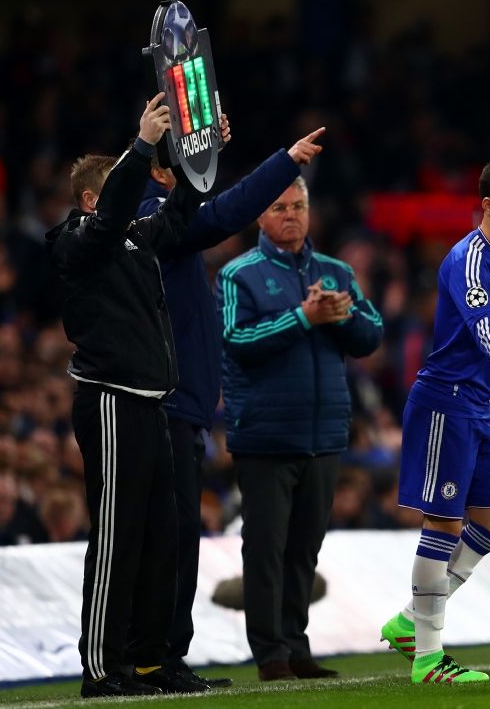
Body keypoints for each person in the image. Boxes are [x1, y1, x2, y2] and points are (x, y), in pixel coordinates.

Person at [130, 124, 326, 688]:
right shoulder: (154, 218)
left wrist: (209, 152)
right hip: (167, 405)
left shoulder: (164, 218)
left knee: (177, 538)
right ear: (162, 171)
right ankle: (151, 659)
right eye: (190, 165)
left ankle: (163, 657)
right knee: (167, 540)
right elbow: (226, 211)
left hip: (182, 406)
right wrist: (284, 162)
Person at [379, 154, 490, 684]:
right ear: (488, 206)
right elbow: (484, 333)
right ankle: (428, 658)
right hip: (445, 402)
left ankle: (411, 621)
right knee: (443, 522)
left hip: (478, 403)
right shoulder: (467, 260)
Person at [44, 94, 205, 698]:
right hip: (109, 399)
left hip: (150, 401)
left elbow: (180, 217)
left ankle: (148, 662)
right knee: (117, 535)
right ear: (93, 198)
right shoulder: (72, 241)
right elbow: (109, 223)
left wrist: (198, 157)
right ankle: (100, 668)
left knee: (160, 537)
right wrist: (141, 146)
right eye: (118, 188)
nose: (133, 198)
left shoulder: (134, 239)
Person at [216, 176, 383, 681]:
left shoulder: (337, 272)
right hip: (266, 435)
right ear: (259, 216)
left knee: (304, 549)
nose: (291, 215)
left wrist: (340, 314)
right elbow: (236, 339)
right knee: (266, 549)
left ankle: (295, 644)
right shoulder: (238, 274)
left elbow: (372, 335)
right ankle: (271, 655)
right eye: (279, 207)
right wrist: (304, 317)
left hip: (324, 433)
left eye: (298, 206)